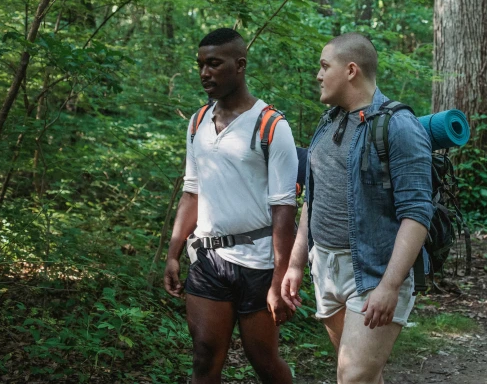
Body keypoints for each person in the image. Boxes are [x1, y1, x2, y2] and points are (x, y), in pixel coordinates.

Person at [281, 32, 434, 384]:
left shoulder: (398, 125)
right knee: (366, 377)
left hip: (372, 271)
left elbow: (416, 213)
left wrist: (390, 285)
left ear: (351, 70)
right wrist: (295, 263)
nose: (318, 75)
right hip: (327, 269)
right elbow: (313, 200)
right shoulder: (328, 121)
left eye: (324, 66)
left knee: (351, 377)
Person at [164, 28, 297, 384]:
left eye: (214, 63)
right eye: (200, 64)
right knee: (205, 357)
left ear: (239, 65)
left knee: (264, 362)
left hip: (258, 265)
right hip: (207, 259)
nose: (204, 72)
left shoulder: (271, 126)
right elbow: (191, 192)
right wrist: (174, 252)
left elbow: (285, 208)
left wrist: (280, 278)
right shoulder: (197, 122)